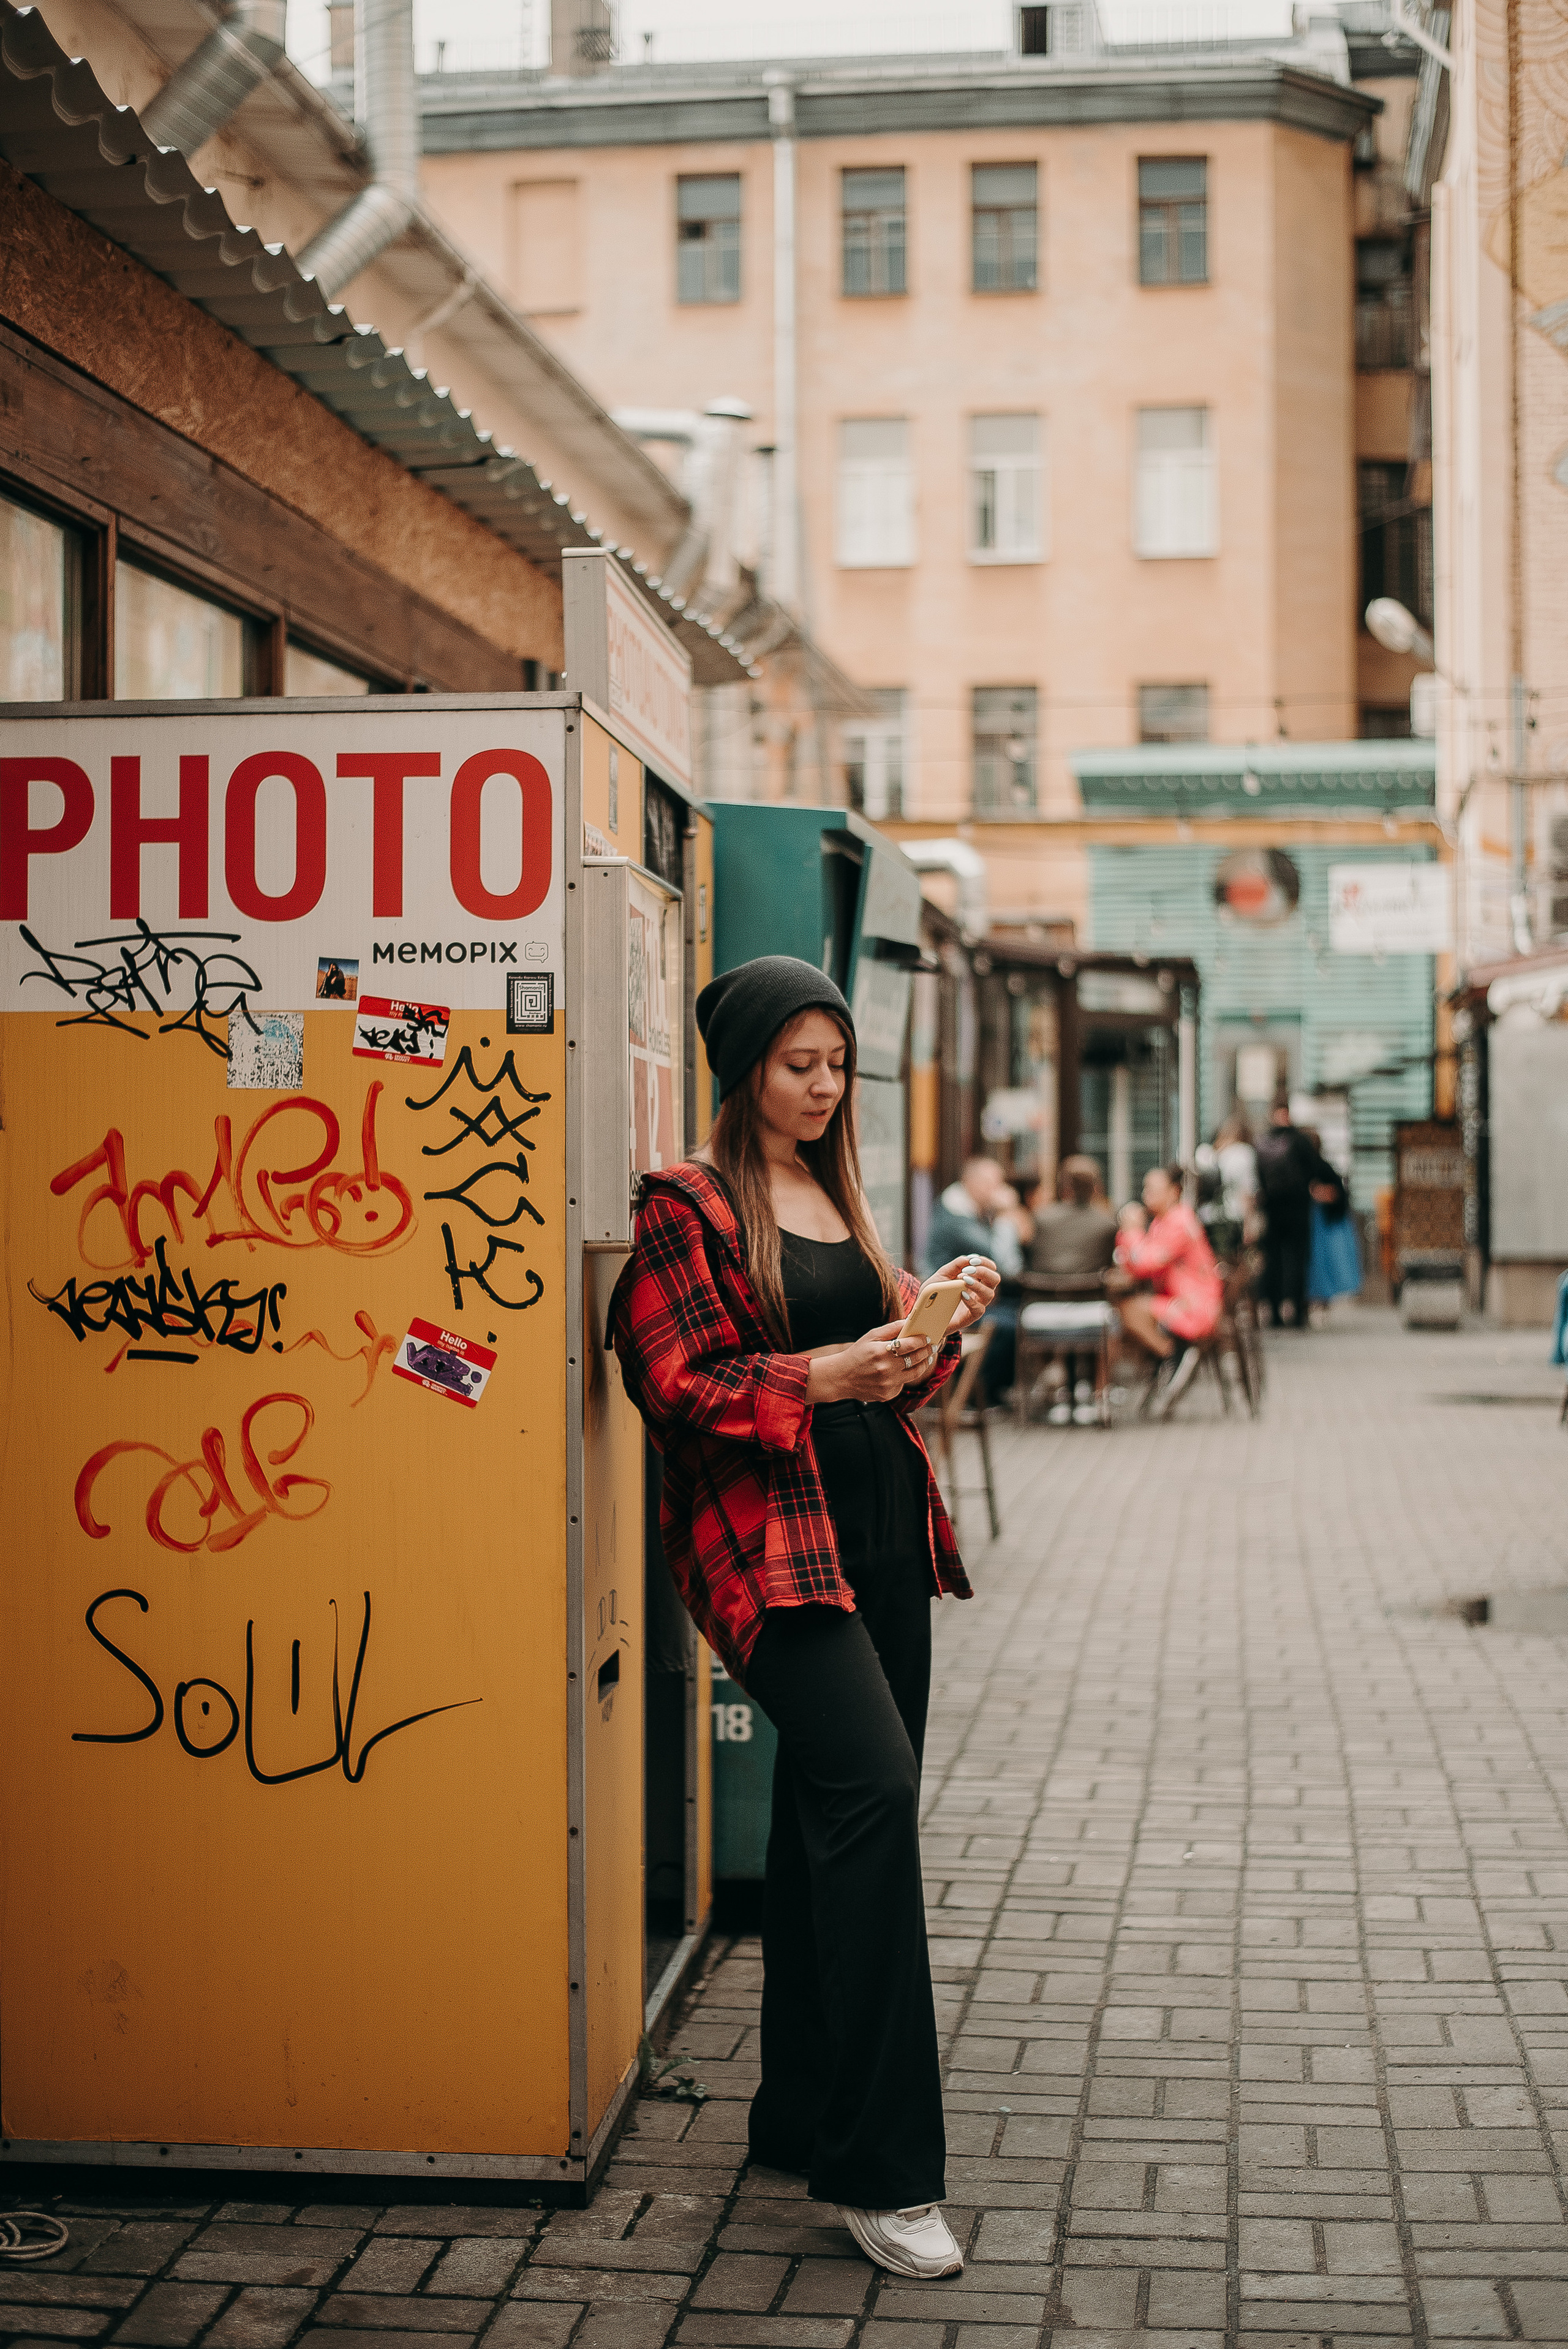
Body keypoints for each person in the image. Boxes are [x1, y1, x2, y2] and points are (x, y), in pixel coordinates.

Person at [609, 955, 1001, 2283]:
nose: (825, 1086)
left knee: (823, 1811)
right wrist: (822, 1370)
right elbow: (673, 1380)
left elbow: (884, 1382)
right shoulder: (687, 1201)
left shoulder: (835, 1193)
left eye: (836, 1064)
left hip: (881, 1534)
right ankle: (883, 2174)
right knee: (873, 1794)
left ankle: (794, 2113)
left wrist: (930, 1329)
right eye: (799, 1063)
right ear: (746, 1069)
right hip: (769, 1552)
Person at [1115, 1162, 1223, 1418]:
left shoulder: (1178, 1221)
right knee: (1127, 1311)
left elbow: (1143, 1262)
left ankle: (1174, 1354)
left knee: (1128, 1311)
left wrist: (1131, 1230)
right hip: (1184, 1301)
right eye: (1145, 1188)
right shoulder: (1166, 1221)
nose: (1145, 1195)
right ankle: (1172, 1355)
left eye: (1152, 1189)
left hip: (1194, 1307)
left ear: (1174, 1191)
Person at [922, 1156, 1028, 1405]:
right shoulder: (956, 1216)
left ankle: (985, 1394)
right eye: (995, 1183)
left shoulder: (965, 1209)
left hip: (963, 1299)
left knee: (1015, 1316)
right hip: (948, 1307)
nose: (1000, 1190)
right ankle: (980, 1396)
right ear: (972, 1183)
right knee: (1010, 1325)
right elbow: (1004, 1262)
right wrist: (1005, 1215)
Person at [1028, 1155, 1118, 1425]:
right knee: (1112, 1319)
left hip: (1041, 1312)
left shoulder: (1042, 1219)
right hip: (1091, 1311)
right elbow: (1108, 1267)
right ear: (1096, 1186)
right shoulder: (1106, 1224)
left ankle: (1057, 1391)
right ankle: (1096, 1394)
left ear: (1063, 1185)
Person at [1254, 1100, 1327, 1329]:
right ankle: (1296, 1313)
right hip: (1297, 1208)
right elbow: (1314, 1170)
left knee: (1273, 1261)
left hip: (1272, 1209)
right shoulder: (1300, 1141)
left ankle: (1275, 1313)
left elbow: (1258, 1177)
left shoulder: (1262, 1142)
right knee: (1297, 1259)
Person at [1305, 1141, 1362, 1311]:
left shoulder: (1320, 1168)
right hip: (1324, 1222)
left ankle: (1320, 1298)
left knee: (1321, 1263)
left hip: (1323, 1223)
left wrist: (1314, 1192)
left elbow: (1333, 1194)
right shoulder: (1322, 1166)